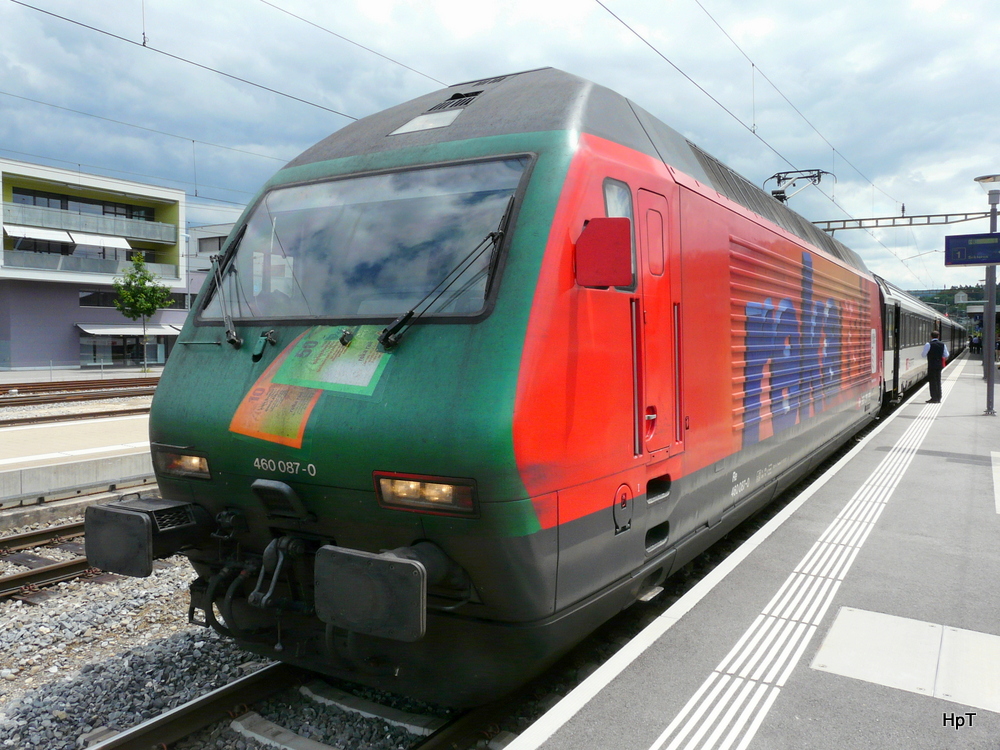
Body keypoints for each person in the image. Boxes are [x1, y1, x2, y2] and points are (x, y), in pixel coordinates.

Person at [921, 330, 949, 403]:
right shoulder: (943, 344)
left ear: (931, 336)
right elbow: (946, 355)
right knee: (938, 380)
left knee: (932, 381)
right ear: (938, 336)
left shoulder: (928, 344)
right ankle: (939, 397)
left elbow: (923, 355)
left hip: (931, 364)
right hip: (939, 364)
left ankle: (934, 398)